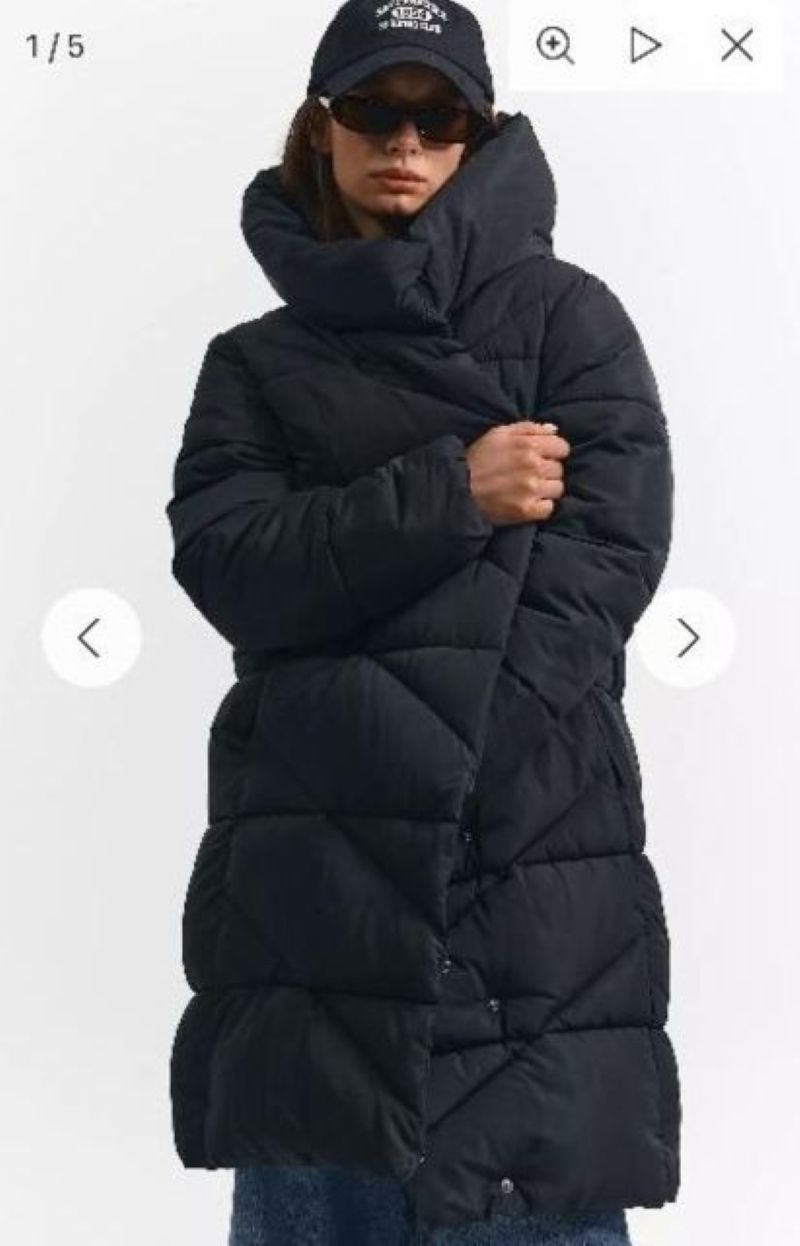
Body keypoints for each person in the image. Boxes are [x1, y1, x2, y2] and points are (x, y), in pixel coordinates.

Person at [164, 2, 681, 1244]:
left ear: (477, 134)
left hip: (523, 842)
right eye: (371, 110)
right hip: (316, 876)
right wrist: (451, 494)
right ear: (320, 127)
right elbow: (232, 564)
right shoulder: (252, 363)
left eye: (436, 115)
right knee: (319, 1176)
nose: (402, 140)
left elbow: (604, 565)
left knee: (526, 1188)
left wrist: (440, 741)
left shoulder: (569, 323)